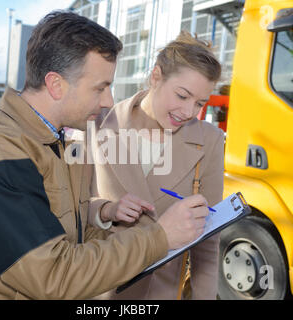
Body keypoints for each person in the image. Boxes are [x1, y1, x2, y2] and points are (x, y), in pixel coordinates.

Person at [0, 12, 210, 300]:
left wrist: (105, 212)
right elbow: (52, 276)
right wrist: (159, 237)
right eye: (101, 87)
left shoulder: (55, 140)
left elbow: (69, 235)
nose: (109, 100)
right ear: (56, 85)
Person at [88, 31, 224, 300]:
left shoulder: (210, 140)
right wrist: (106, 209)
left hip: (160, 291)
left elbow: (208, 240)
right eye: (182, 96)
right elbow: (73, 207)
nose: (189, 113)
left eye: (199, 103)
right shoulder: (98, 121)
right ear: (156, 77)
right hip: (99, 287)